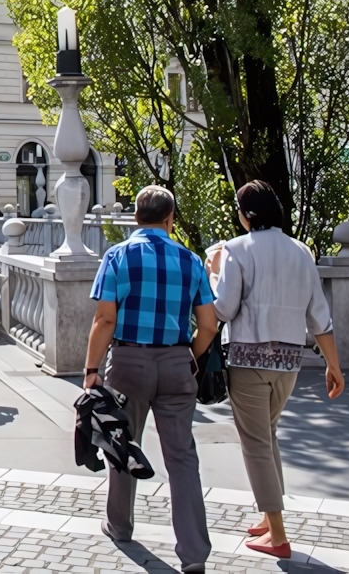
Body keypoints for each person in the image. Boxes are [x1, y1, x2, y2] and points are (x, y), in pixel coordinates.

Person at [207, 180, 344, 560]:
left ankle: (278, 533)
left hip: (248, 360)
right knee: (267, 436)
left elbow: (222, 310)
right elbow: (320, 317)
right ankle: (270, 520)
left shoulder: (236, 249)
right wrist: (334, 366)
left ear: (247, 215)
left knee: (255, 443)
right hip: (289, 362)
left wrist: (213, 272)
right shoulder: (301, 251)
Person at [84, 185, 217, 574]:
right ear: (170, 219)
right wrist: (188, 356)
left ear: (135, 217)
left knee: (123, 445)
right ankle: (193, 553)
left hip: (129, 361)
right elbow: (208, 325)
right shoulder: (190, 260)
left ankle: (120, 526)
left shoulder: (118, 256)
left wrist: (91, 371)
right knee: (182, 458)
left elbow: (105, 319)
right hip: (177, 363)